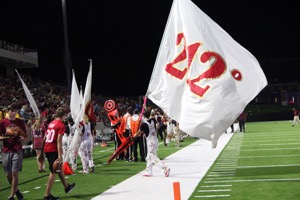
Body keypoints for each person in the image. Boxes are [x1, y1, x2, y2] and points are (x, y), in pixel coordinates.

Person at [43, 107, 76, 200]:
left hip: (47, 147)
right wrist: (59, 155)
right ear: (64, 115)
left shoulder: (51, 123)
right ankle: (47, 195)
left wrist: (42, 151)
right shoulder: (61, 125)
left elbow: (45, 138)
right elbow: (59, 140)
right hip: (53, 148)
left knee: (59, 168)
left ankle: (67, 187)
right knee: (53, 171)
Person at [0, 103, 27, 200]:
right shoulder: (3, 122)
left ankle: (12, 196)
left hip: (17, 149)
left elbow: (25, 136)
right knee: (8, 174)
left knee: (15, 173)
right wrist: (6, 137)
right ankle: (17, 191)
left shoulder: (20, 122)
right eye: (12, 111)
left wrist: (22, 139)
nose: (13, 113)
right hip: (6, 150)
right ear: (8, 111)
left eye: (15, 111)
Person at [139, 109, 170, 177]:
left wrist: (135, 134)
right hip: (155, 140)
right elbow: (157, 126)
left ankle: (165, 168)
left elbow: (140, 132)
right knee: (148, 157)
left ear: (144, 116)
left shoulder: (144, 124)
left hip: (150, 142)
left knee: (153, 157)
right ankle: (149, 172)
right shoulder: (153, 120)